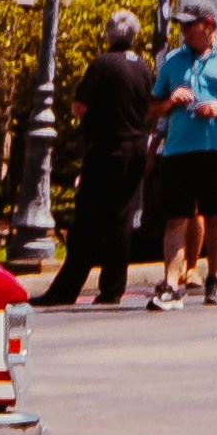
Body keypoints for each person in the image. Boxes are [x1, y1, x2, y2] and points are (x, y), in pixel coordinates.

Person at [151, 10, 217, 304]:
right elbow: (152, 107)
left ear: (208, 24)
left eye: (189, 25)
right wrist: (171, 100)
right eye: (181, 25)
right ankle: (172, 283)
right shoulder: (172, 61)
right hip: (178, 150)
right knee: (177, 218)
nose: (183, 31)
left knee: (214, 215)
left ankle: (213, 277)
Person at [69, 16, 160, 311]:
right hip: (136, 147)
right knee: (121, 218)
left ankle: (68, 286)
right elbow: (151, 107)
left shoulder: (102, 64)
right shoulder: (143, 66)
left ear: (109, 34)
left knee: (87, 216)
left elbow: (80, 107)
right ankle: (113, 287)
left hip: (107, 148)